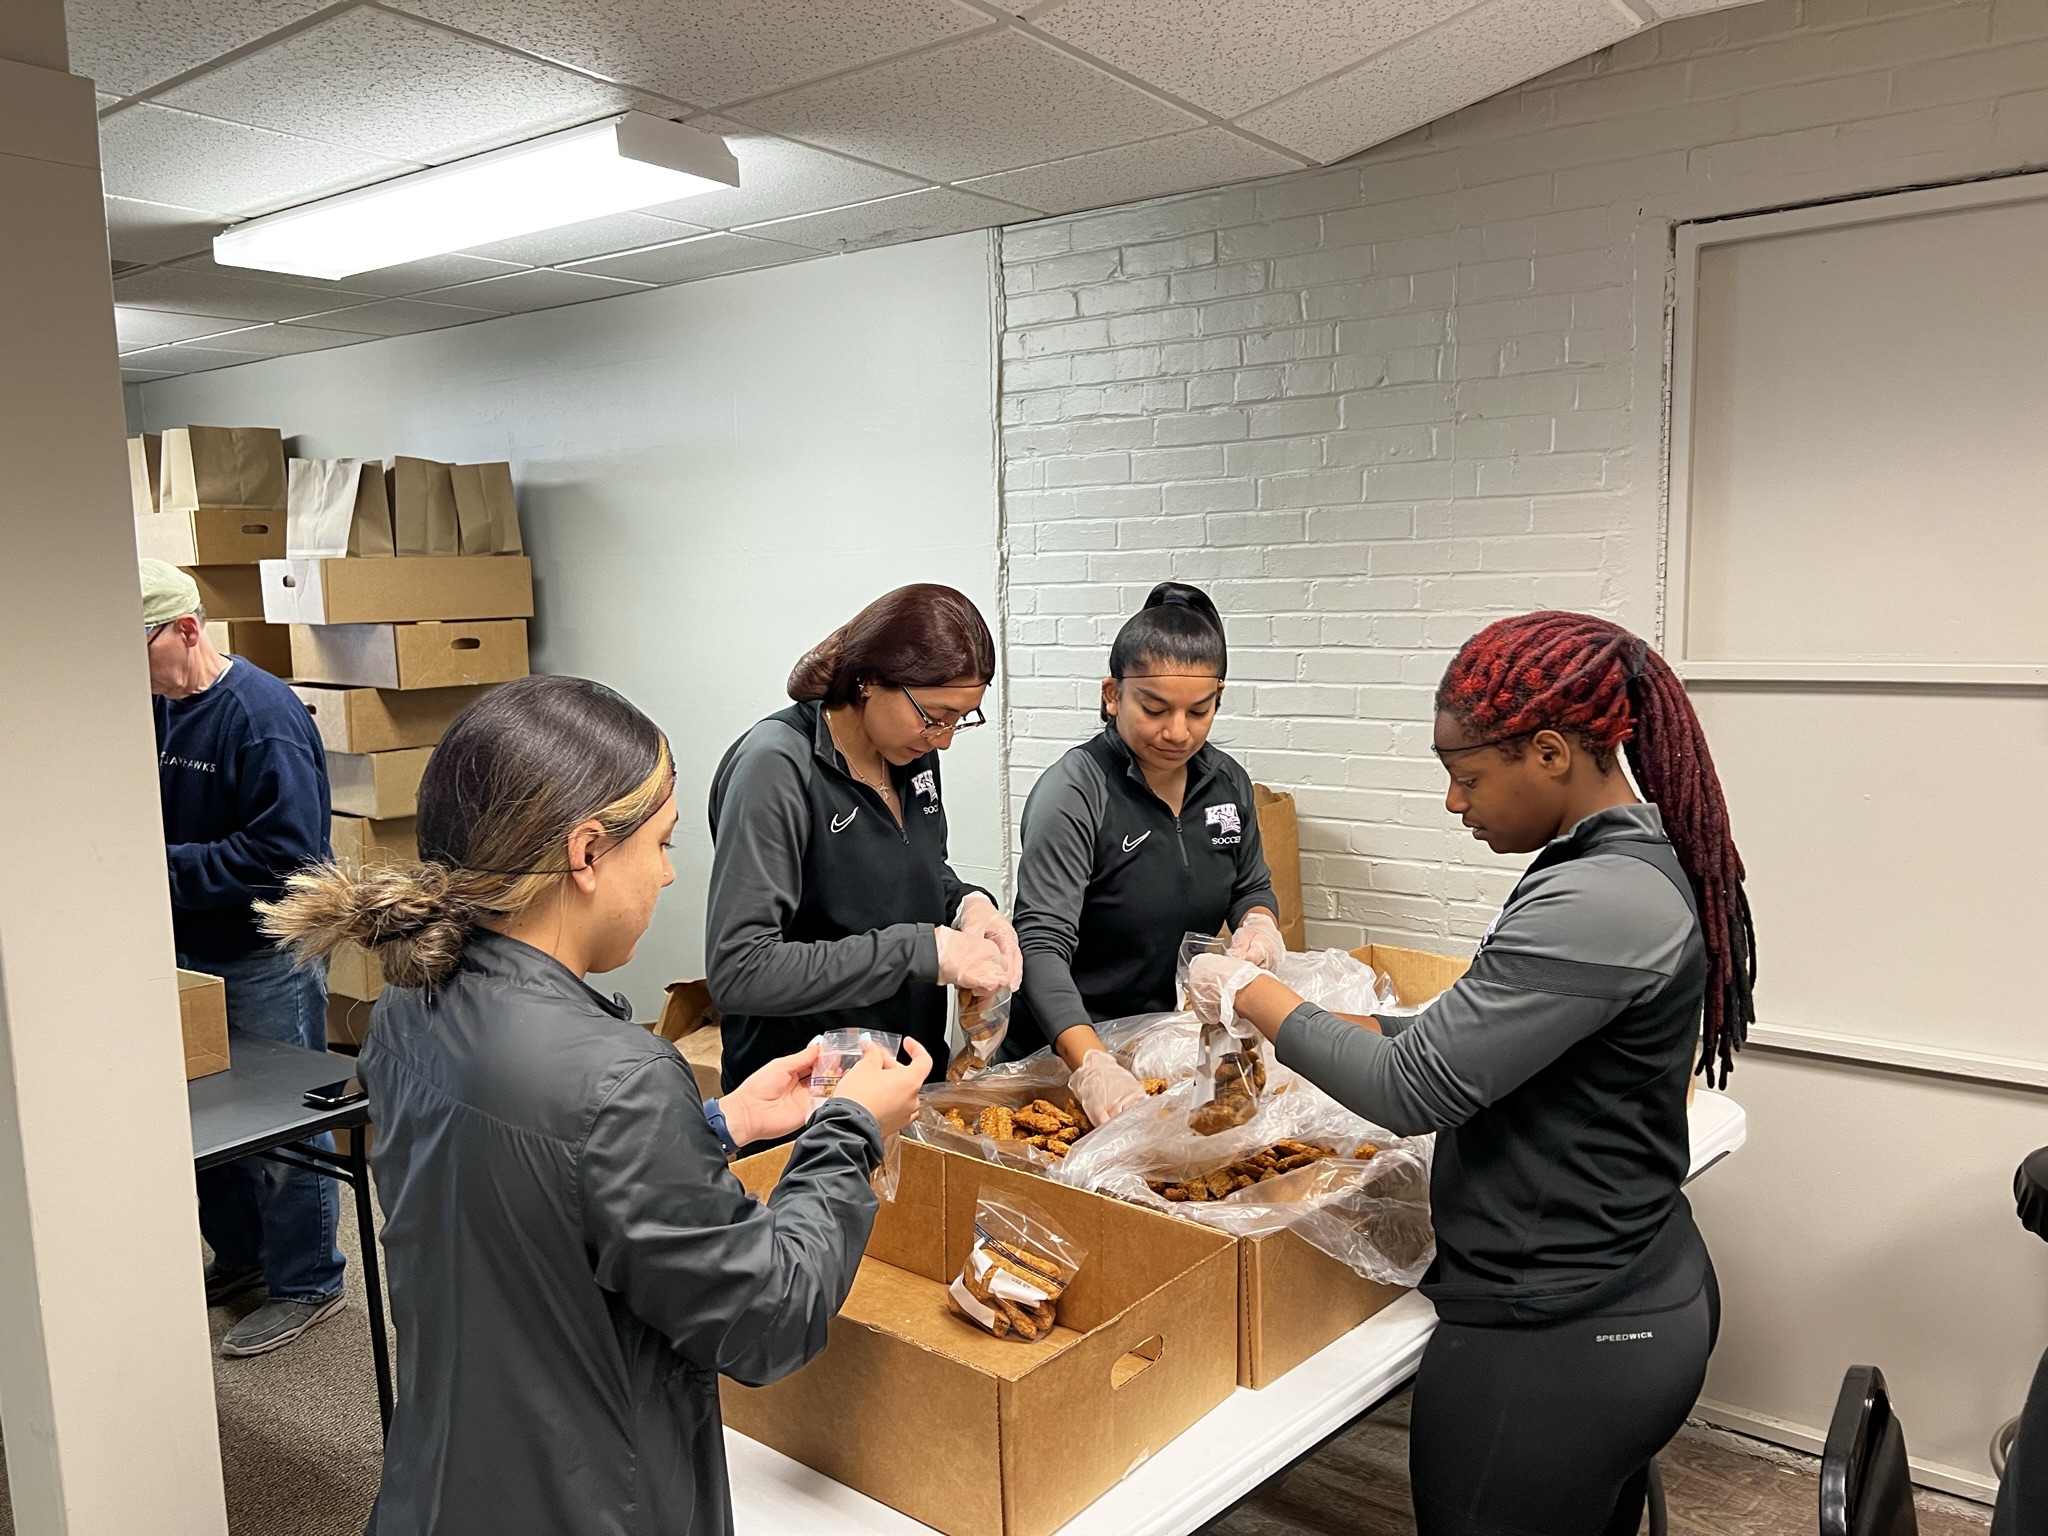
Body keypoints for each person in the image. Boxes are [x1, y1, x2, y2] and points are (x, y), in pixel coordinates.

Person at [260, 675, 931, 1536]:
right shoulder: (618, 1080)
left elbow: (534, 1193)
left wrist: (720, 1124)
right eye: (659, 844)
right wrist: (850, 1132)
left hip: (457, 1474)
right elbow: (767, 1318)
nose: (668, 872)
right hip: (591, 1499)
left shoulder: (408, 1008)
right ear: (585, 853)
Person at [1186, 611, 1757, 1536]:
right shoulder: (1618, 862)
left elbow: (1412, 1090)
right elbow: (1517, 1031)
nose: (1456, 804)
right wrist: (1363, 1022)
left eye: (1466, 777)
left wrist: (1251, 991)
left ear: (1548, 752)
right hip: (1625, 1289)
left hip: (1560, 1340)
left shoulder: (1600, 897)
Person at [705, 584, 1021, 1115]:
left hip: (902, 1081)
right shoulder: (777, 768)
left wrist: (968, 906)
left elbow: (912, 872)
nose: (943, 739)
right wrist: (924, 951)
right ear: (870, 680)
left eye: (960, 720)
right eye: (934, 715)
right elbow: (742, 970)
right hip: (801, 1102)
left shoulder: (911, 753)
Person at [141, 557, 345, 1356]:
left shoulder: (261, 719)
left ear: (187, 630)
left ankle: (308, 1282)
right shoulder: (158, 709)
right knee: (204, 1111)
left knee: (289, 1123)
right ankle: (241, 1259)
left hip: (264, 953)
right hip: (189, 946)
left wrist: (164, 868)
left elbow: (287, 856)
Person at [1009, 582, 1284, 1125]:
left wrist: (1258, 923)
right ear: (1113, 694)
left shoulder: (1226, 783)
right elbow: (1040, 945)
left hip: (1168, 1048)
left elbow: (1249, 885)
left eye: (1199, 711)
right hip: (1071, 1056)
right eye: (1155, 709)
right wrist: (1092, 1065)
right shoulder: (1076, 793)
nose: (1178, 733)